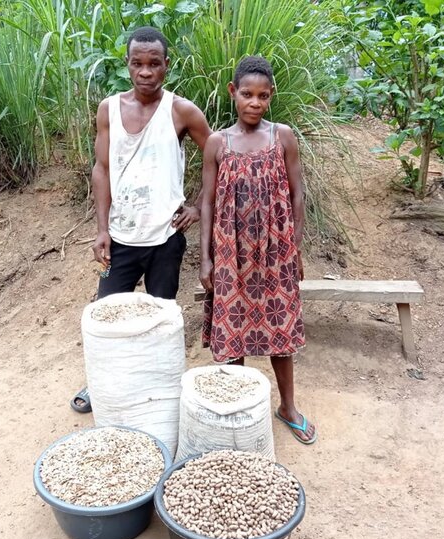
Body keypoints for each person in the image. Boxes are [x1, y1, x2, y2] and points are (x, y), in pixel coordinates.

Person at [71, 26, 212, 413]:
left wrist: (198, 205)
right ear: (127, 65)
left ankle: (155, 389)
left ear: (167, 66)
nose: (145, 71)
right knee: (108, 314)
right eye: (138, 63)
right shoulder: (109, 109)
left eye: (154, 64)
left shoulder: (181, 110)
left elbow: (218, 158)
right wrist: (101, 229)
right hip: (119, 236)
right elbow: (101, 169)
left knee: (159, 318)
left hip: (165, 238)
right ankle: (101, 384)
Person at [199, 56, 316, 444]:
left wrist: (294, 246)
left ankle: (288, 406)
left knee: (278, 329)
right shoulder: (219, 142)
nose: (255, 102)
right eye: (247, 94)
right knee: (235, 334)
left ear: (271, 97)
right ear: (233, 93)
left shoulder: (282, 137)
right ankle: (240, 410)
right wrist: (206, 258)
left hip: (276, 251)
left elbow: (298, 194)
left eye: (263, 96)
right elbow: (208, 203)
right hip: (231, 254)